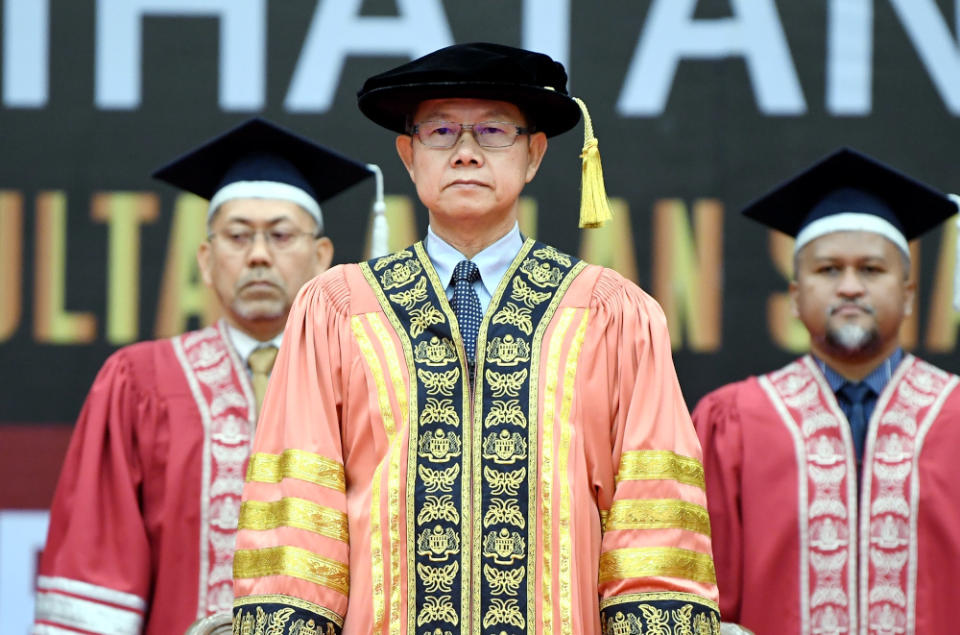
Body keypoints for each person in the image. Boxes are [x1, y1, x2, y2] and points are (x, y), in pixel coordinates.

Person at [232, 42, 720, 635]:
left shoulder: (614, 314)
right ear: (408, 156)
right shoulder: (335, 310)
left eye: (493, 132)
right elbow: (296, 525)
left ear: (534, 154)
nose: (465, 153)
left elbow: (654, 522)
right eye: (440, 132)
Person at [33, 118, 376, 634]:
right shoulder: (139, 384)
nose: (259, 254)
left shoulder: (369, 382)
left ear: (322, 258)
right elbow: (96, 569)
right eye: (237, 236)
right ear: (206, 259)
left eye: (281, 234)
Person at [692, 147, 960, 634]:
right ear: (795, 296)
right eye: (829, 270)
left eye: (872, 269)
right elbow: (703, 600)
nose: (851, 287)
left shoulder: (957, 416)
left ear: (909, 294)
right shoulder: (735, 422)